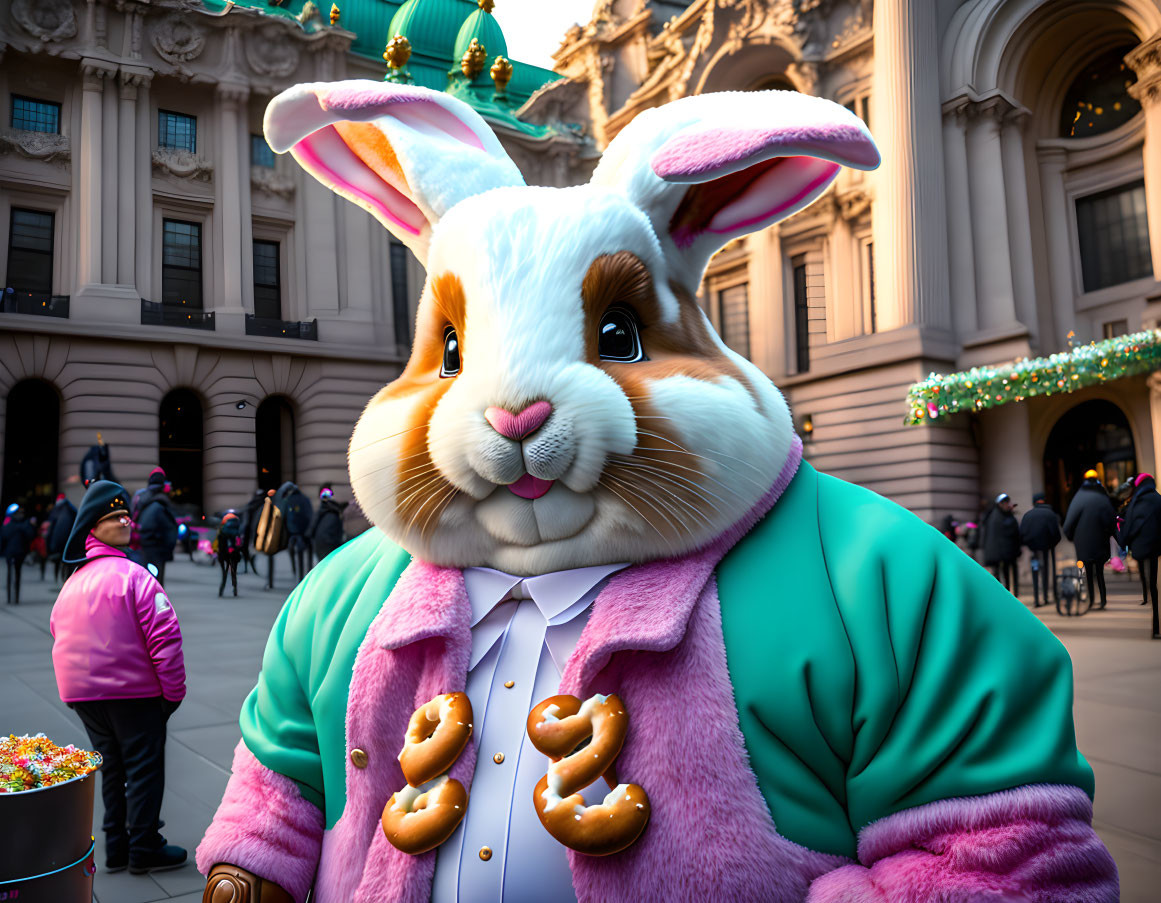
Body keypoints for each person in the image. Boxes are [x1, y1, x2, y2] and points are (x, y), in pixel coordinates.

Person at [50, 480, 187, 874]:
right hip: (135, 694)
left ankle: (116, 846)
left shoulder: (72, 583)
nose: (126, 521)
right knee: (144, 769)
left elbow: (58, 632)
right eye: (114, 517)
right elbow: (166, 638)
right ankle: (144, 847)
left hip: (82, 695)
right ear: (93, 527)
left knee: (112, 767)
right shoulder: (135, 576)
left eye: (126, 514)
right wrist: (172, 695)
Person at [1063, 469, 1117, 610]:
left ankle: (1091, 600)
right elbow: (1111, 521)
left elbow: (1069, 523)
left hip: (1083, 543)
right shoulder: (1102, 498)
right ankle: (1103, 600)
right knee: (1099, 573)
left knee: (1086, 572)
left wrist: (1071, 537)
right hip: (1100, 542)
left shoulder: (1078, 498)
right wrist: (1118, 538)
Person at [1117, 473, 1161, 638]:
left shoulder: (1135, 503)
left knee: (1146, 575)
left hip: (1140, 548)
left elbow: (1128, 528)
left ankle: (1146, 593)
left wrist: (1124, 541)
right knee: (1156, 585)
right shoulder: (1159, 500)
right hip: (1157, 548)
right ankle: (1157, 626)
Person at [135, 468, 178, 585]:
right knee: (155, 584)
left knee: (146, 582)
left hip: (142, 546)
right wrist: (169, 549)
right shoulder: (161, 503)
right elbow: (170, 530)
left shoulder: (141, 498)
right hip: (157, 548)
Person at [1020, 493, 1062, 608]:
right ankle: (1046, 596)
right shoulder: (1050, 514)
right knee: (1046, 572)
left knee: (1035, 571)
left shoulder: (1028, 515)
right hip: (1046, 549)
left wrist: (1030, 544)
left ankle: (1036, 598)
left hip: (1033, 550)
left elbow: (1022, 533)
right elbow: (1056, 534)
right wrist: (1052, 544)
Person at [983, 492, 1021, 595]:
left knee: (1002, 574)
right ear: (1000, 504)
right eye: (1005, 503)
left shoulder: (994, 515)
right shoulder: (999, 517)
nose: (1007, 505)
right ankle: (1006, 594)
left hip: (1001, 553)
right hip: (1002, 553)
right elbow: (1012, 530)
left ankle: (1005, 594)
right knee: (1003, 575)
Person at [1, 502, 35, 604]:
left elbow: (3, 538)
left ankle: (9, 597)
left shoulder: (8, 525)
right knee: (17, 573)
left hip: (10, 553)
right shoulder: (25, 524)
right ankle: (15, 597)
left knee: (9, 574)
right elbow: (31, 536)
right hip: (20, 552)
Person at [307, 485, 348, 567]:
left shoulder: (323, 510)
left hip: (321, 543)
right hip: (328, 544)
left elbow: (313, 526)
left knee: (323, 566)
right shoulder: (334, 512)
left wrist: (308, 534)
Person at [282, 482, 314, 581]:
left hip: (294, 533)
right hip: (306, 532)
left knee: (294, 553)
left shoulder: (288, 501)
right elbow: (310, 515)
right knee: (308, 553)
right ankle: (309, 573)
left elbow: (286, 517)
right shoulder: (306, 499)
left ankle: (296, 573)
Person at [45, 492, 77, 582]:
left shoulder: (56, 510)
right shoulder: (71, 509)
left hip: (59, 541)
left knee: (58, 560)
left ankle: (57, 577)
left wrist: (51, 545)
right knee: (66, 562)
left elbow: (52, 528)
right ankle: (65, 578)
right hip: (69, 541)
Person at [215, 512, 244, 598]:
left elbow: (219, 544)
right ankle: (235, 589)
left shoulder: (222, 530)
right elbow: (239, 544)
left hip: (224, 555)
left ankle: (221, 589)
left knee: (224, 573)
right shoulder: (238, 531)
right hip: (234, 554)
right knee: (233, 572)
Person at [238, 489, 266, 575]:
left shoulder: (251, 506)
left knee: (248, 551)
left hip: (250, 532)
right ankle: (249, 568)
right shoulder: (262, 506)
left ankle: (248, 568)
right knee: (249, 551)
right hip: (252, 532)